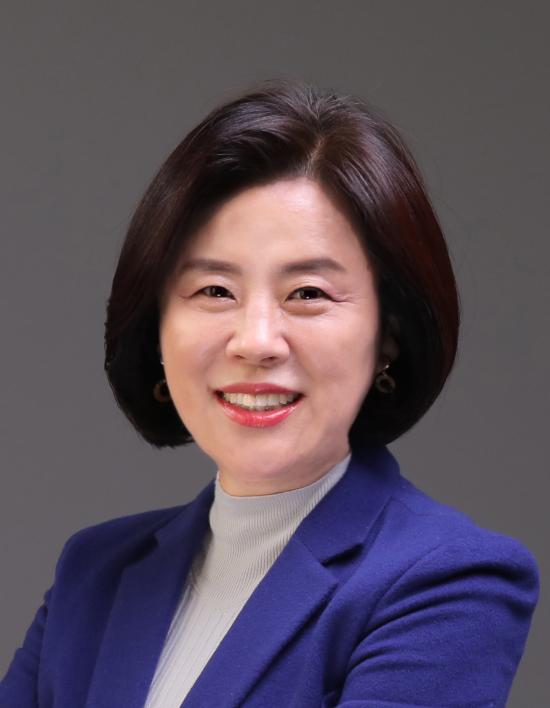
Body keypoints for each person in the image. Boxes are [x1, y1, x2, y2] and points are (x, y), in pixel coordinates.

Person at [0, 79, 539, 708]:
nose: (255, 341)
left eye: (307, 293)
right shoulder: (95, 574)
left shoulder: (448, 582)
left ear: (388, 334)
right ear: (156, 328)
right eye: (215, 291)